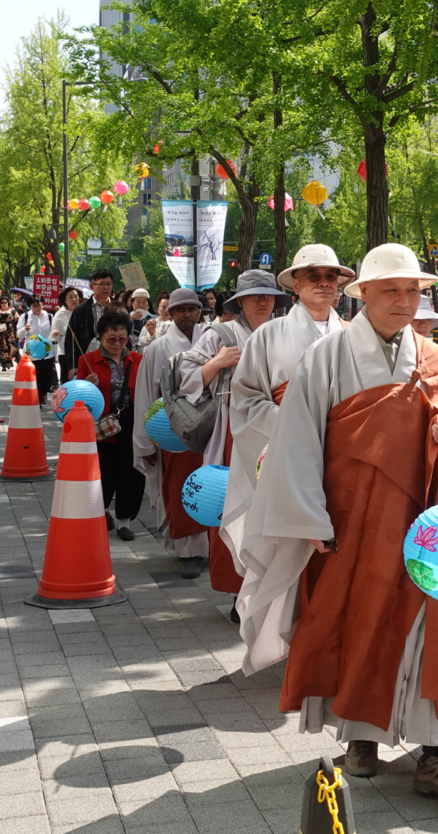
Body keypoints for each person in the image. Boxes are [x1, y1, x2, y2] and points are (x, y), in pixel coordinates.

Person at [236, 243, 438, 798]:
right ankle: (360, 739)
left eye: (413, 291)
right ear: (365, 295)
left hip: (424, 527)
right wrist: (311, 520)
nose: (404, 301)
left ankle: (435, 752)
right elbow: (297, 443)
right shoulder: (326, 358)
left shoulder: (432, 357)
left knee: (430, 632)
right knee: (355, 625)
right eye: (392, 290)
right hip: (350, 525)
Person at [222, 245, 353, 589]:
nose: (323, 283)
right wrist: (293, 425)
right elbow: (246, 398)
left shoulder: (355, 335)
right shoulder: (268, 335)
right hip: (287, 454)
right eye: (313, 276)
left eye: (330, 276)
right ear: (295, 284)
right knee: (287, 561)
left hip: (344, 456)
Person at [176, 270, 289, 620]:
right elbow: (185, 378)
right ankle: (239, 593)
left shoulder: (287, 332)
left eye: (268, 295)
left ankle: (273, 592)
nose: (262, 301)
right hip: (233, 432)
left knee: (276, 511)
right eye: (255, 296)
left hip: (280, 431)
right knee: (234, 507)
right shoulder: (220, 334)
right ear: (239, 301)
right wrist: (217, 362)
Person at [132, 288, 208, 578]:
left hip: (211, 426)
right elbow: (145, 397)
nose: (187, 315)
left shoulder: (213, 341)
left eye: (192, 309)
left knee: (211, 485)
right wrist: (145, 442)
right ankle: (188, 550)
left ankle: (209, 547)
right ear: (170, 313)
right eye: (181, 310)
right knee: (180, 487)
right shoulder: (156, 349)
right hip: (172, 431)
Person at [78, 312, 146, 542]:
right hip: (102, 421)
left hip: (133, 420)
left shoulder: (138, 360)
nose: (117, 343)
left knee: (132, 471)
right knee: (103, 470)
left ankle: (125, 521)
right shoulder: (87, 360)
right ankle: (103, 508)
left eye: (122, 338)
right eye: (111, 338)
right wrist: (86, 386)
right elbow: (75, 396)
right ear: (101, 337)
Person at [66, 268, 115, 378]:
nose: (105, 287)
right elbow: (71, 339)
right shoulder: (80, 310)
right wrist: (72, 365)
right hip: (88, 361)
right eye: (101, 284)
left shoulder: (118, 308)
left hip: (114, 359)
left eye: (108, 284)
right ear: (91, 286)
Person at [17, 297, 56, 403]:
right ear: (30, 306)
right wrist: (25, 328)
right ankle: (38, 398)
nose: (37, 308)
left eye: (39, 305)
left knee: (47, 375)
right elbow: (19, 334)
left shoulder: (49, 316)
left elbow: (52, 335)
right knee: (36, 374)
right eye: (34, 306)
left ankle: (43, 393)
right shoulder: (25, 317)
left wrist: (54, 335)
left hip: (47, 351)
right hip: (32, 352)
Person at [52, 287, 83, 383]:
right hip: (65, 353)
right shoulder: (60, 315)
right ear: (64, 300)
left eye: (76, 296)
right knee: (67, 381)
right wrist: (55, 334)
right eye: (70, 297)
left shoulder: (82, 312)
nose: (74, 299)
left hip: (81, 352)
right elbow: (53, 337)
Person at [0, 297, 18, 372]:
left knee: (11, 349)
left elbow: (17, 321)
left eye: (5, 302)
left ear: (8, 303)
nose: (3, 304)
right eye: (2, 302)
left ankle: (11, 363)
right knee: (1, 350)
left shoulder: (13, 311)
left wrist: (17, 332)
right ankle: (4, 365)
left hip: (10, 334)